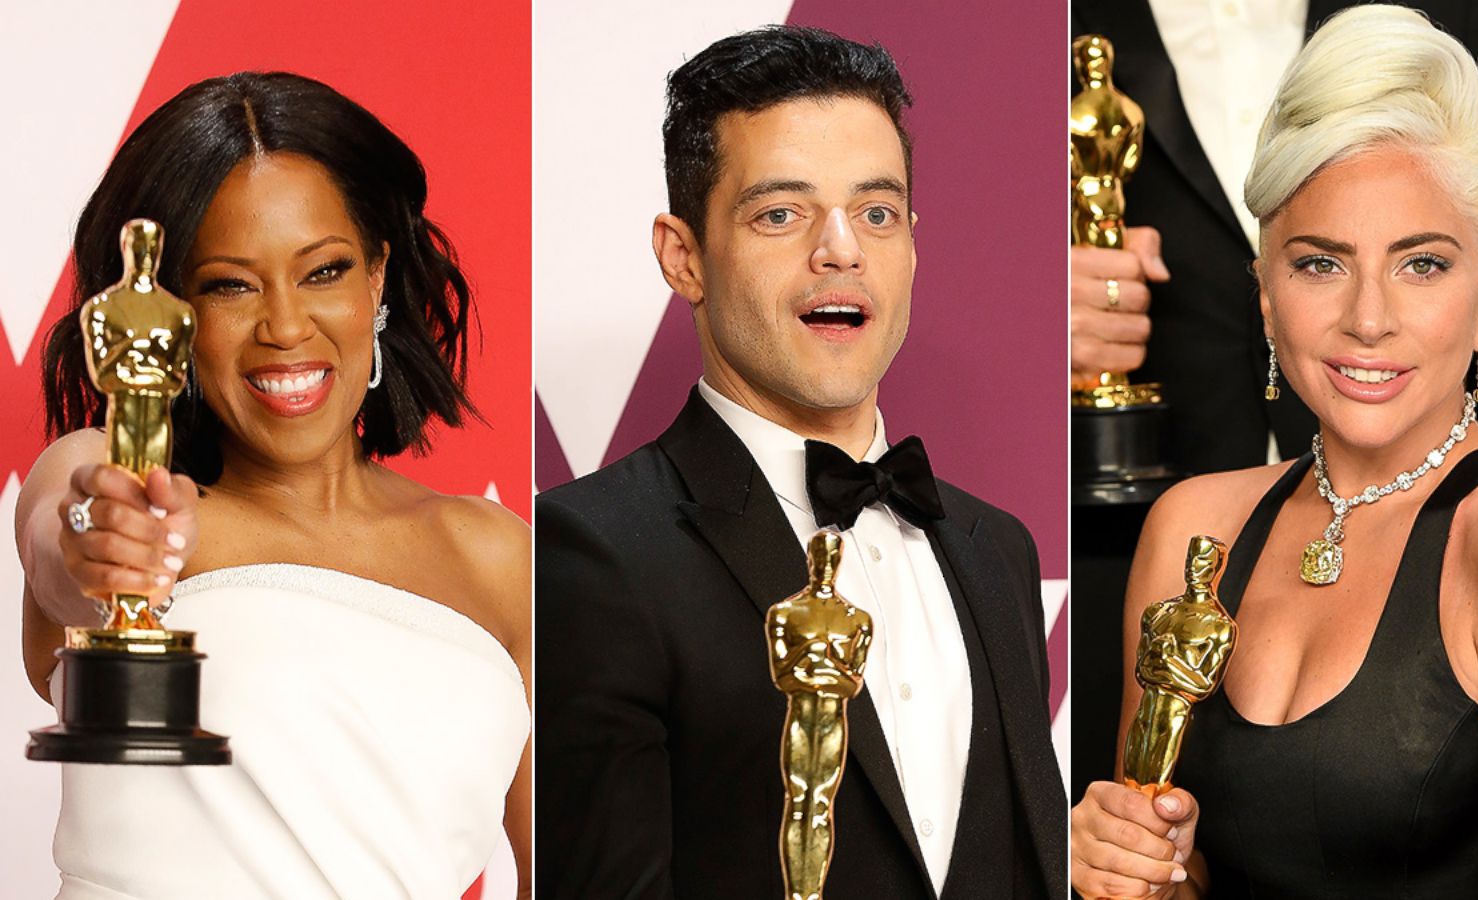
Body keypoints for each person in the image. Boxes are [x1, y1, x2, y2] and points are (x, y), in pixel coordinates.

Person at [1069, 7, 1478, 897]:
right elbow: (1182, 874)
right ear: (1266, 295)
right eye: (1320, 263)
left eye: (1421, 264)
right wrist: (1133, 867)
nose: (1368, 317)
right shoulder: (1190, 531)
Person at [535, 26, 1068, 899]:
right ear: (683, 256)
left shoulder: (995, 549)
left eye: (876, 212)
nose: (841, 251)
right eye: (780, 214)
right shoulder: (592, 554)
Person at [15, 72, 531, 899]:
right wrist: (90, 539)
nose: (286, 327)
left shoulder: (501, 558)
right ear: (172, 311)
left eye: (323, 271)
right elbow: (60, 542)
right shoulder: (122, 483)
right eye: (230, 285)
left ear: (375, 279)